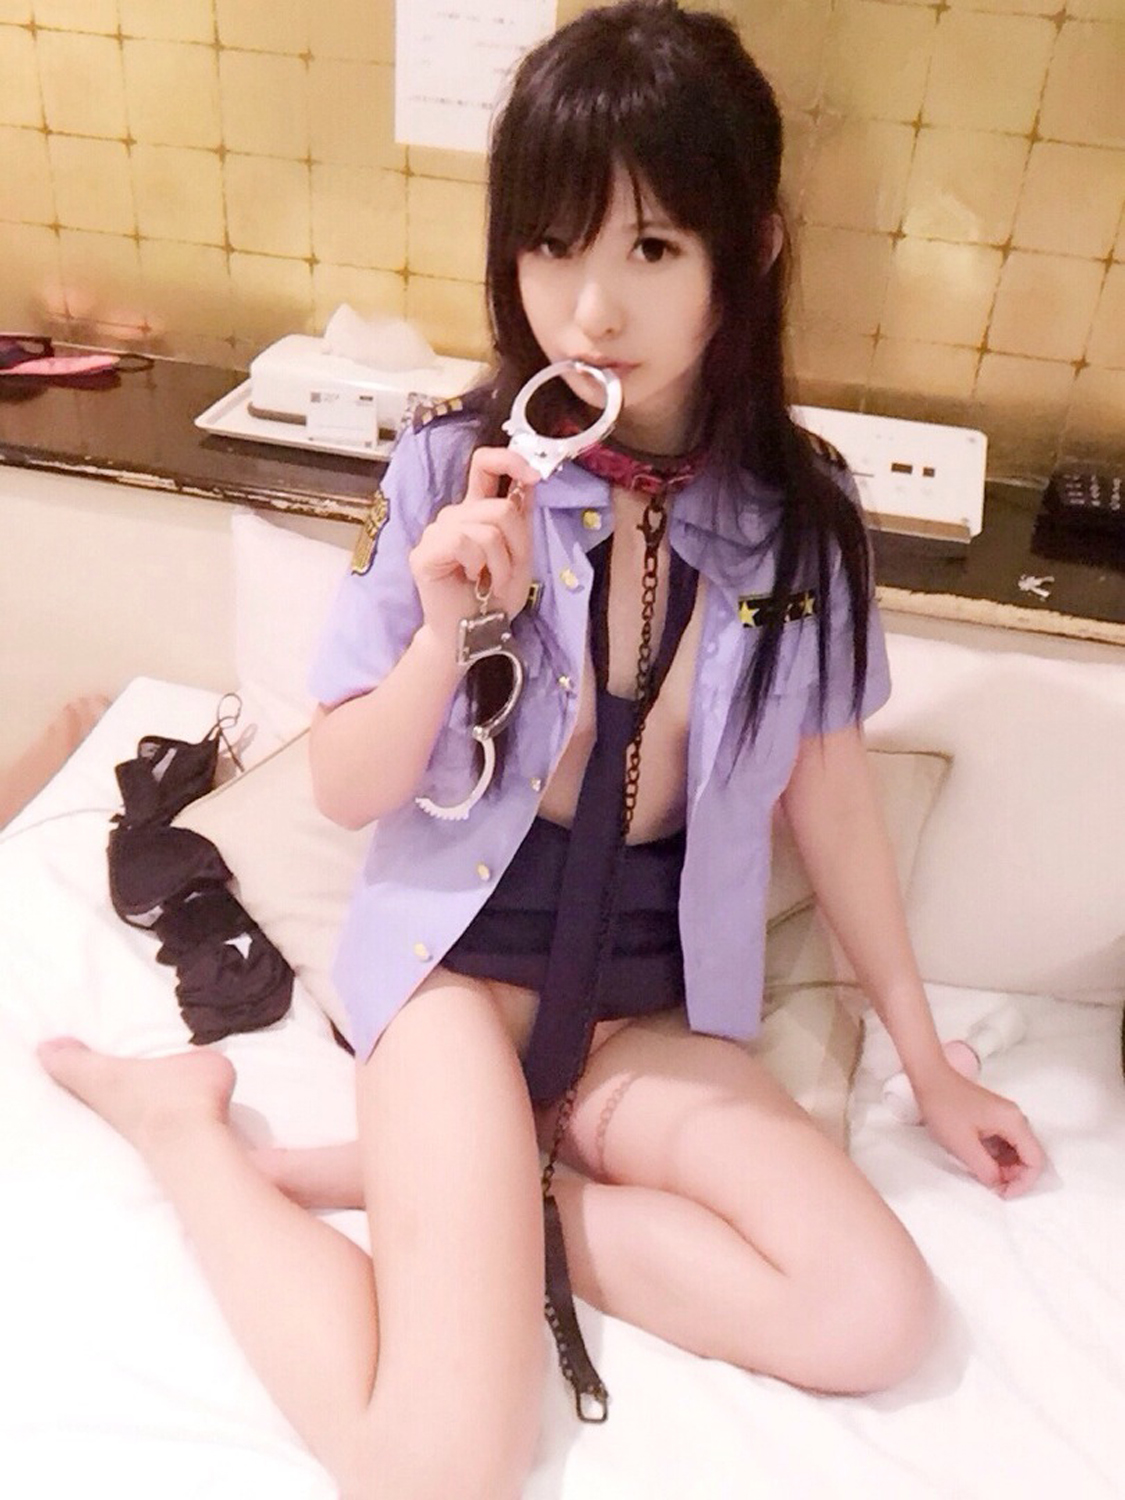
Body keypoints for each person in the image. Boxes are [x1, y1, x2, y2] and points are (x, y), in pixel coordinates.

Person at [38, 4, 1046, 1497]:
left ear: (750, 251)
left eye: (652, 248)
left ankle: (482, 1203)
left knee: (872, 1314)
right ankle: (186, 1131)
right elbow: (344, 787)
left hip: (644, 1013)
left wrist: (926, 1060)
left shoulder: (803, 519)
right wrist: (448, 626)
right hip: (458, 977)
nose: (589, 307)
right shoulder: (453, 466)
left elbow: (829, 790)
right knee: (434, 1468)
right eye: (552, 245)